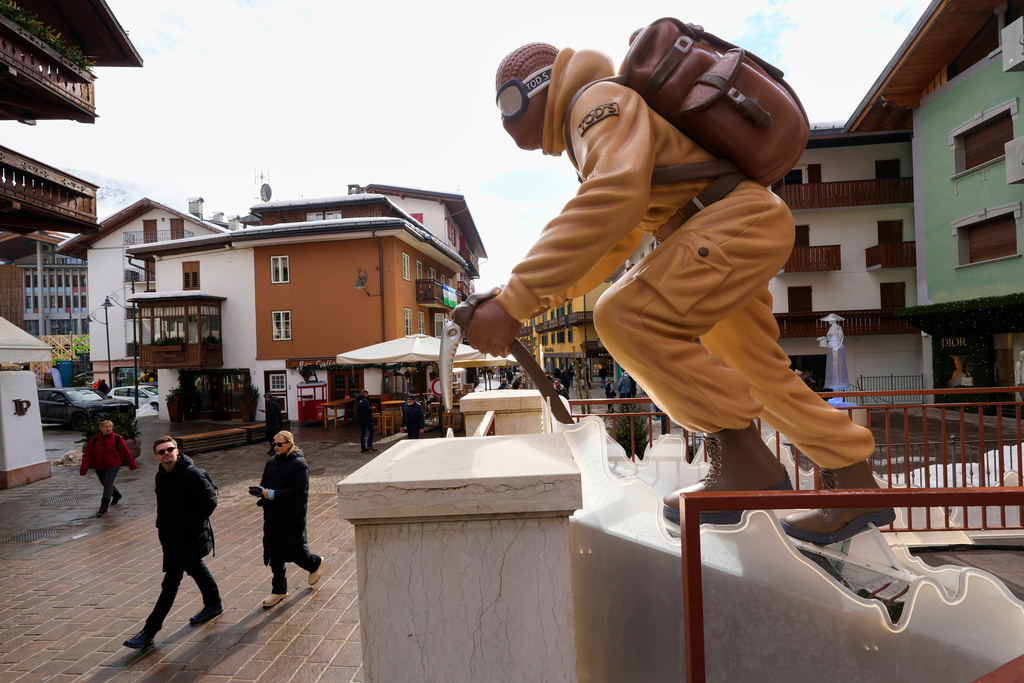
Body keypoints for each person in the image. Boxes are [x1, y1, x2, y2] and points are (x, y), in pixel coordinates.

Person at [464, 41, 892, 544]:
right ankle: (856, 482)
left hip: (728, 221)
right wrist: (520, 301)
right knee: (755, 372)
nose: (508, 125)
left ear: (533, 90)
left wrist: (515, 300)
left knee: (626, 316)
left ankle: (742, 463)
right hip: (733, 223)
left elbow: (612, 199)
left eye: (507, 106)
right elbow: (612, 241)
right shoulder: (601, 113)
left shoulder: (594, 104)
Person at [123, 436, 221, 649]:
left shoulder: (192, 474)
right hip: (171, 538)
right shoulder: (161, 476)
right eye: (162, 451)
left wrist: (189, 526)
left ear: (177, 450)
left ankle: (149, 630)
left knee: (170, 585)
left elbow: (209, 501)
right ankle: (213, 603)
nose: (166, 453)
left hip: (188, 536)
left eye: (170, 449)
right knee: (196, 567)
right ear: (156, 457)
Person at [255, 430, 325, 608]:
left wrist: (272, 494)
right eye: (274, 444)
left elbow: (299, 491)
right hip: (273, 515)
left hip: (292, 515)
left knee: (295, 551)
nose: (276, 447)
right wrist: (259, 491)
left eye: (279, 444)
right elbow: (265, 484)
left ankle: (315, 563)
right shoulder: (270, 464)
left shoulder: (299, 464)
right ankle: (279, 590)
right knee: (275, 553)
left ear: (289, 444)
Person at [80, 419, 138, 517]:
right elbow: (88, 454)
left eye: (110, 427)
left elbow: (126, 452)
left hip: (113, 464)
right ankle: (116, 495)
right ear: (101, 428)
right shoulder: (94, 439)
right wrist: (84, 469)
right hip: (99, 465)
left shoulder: (117, 438)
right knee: (105, 483)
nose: (108, 429)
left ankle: (104, 506)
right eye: (106, 427)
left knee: (108, 483)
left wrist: (132, 465)